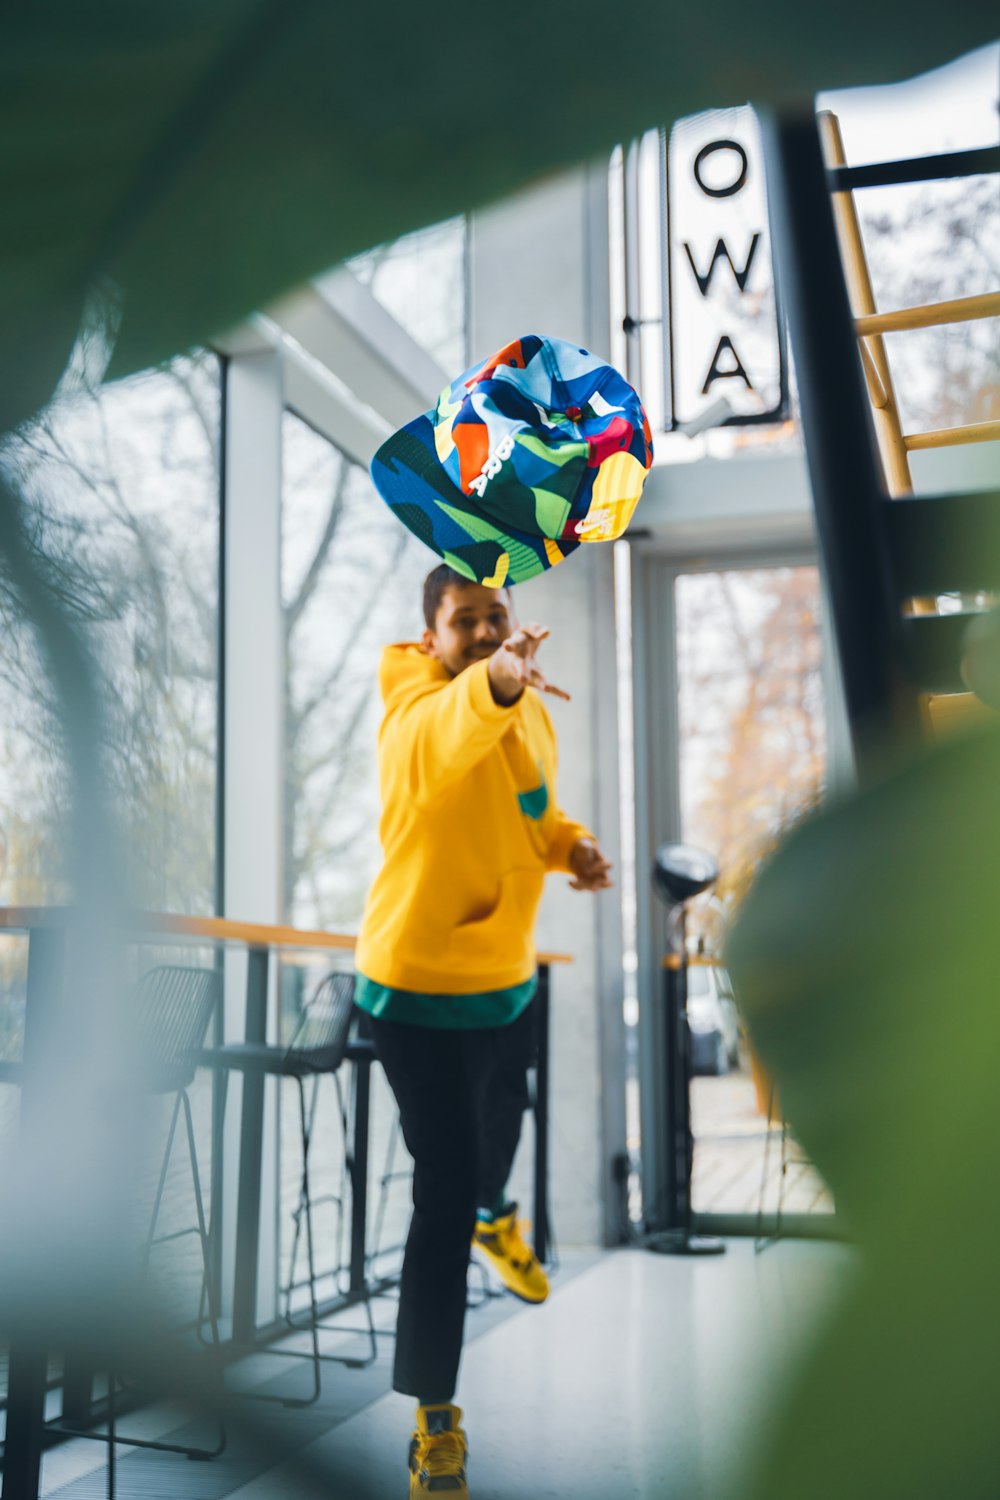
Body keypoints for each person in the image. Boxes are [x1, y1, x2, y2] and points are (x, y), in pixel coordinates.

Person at [354, 563, 612, 1499]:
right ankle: (435, 1420)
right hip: (416, 989)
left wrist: (571, 846)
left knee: (508, 1116)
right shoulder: (411, 703)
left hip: (504, 978)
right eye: (465, 621)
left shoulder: (531, 708)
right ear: (432, 637)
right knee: (444, 1186)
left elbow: (529, 811)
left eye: (494, 617)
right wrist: (495, 680)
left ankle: (495, 1217)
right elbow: (442, 749)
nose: (483, 630)